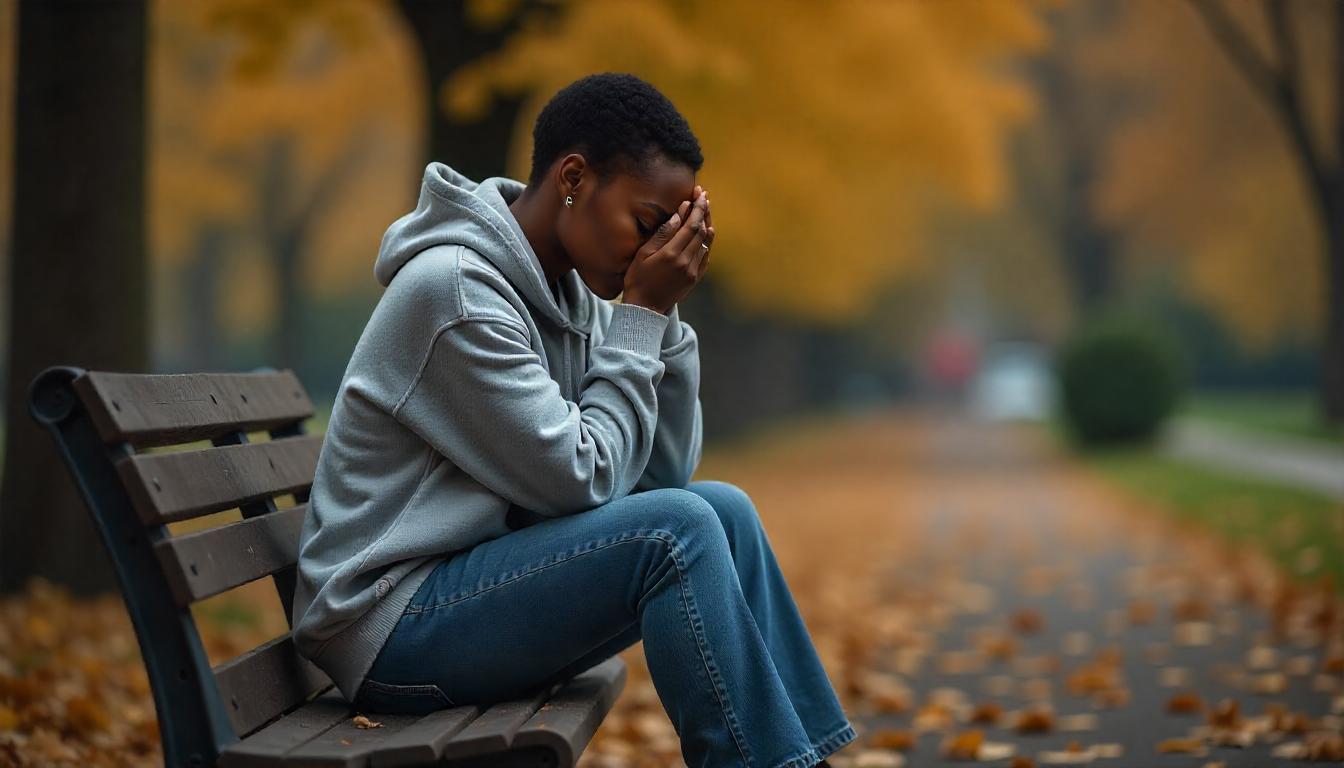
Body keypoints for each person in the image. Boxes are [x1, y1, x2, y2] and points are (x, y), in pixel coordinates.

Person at [290, 72, 856, 768]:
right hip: (389, 627)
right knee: (677, 532)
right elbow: (580, 480)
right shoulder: (459, 294)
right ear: (574, 178)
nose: (653, 252)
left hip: (468, 592)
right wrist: (641, 316)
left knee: (722, 510)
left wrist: (662, 314)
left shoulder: (571, 293)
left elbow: (663, 472)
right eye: (648, 225)